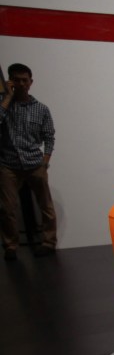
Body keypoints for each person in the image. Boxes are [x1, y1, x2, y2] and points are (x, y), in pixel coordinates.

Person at [0, 63, 57, 259]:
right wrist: (7, 98)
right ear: (10, 81)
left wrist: (45, 160)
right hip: (9, 164)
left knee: (46, 206)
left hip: (34, 163)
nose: (21, 84)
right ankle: (10, 246)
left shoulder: (41, 109)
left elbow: (49, 136)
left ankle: (49, 242)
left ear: (31, 82)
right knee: (7, 208)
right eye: (17, 80)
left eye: (25, 80)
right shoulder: (5, 107)